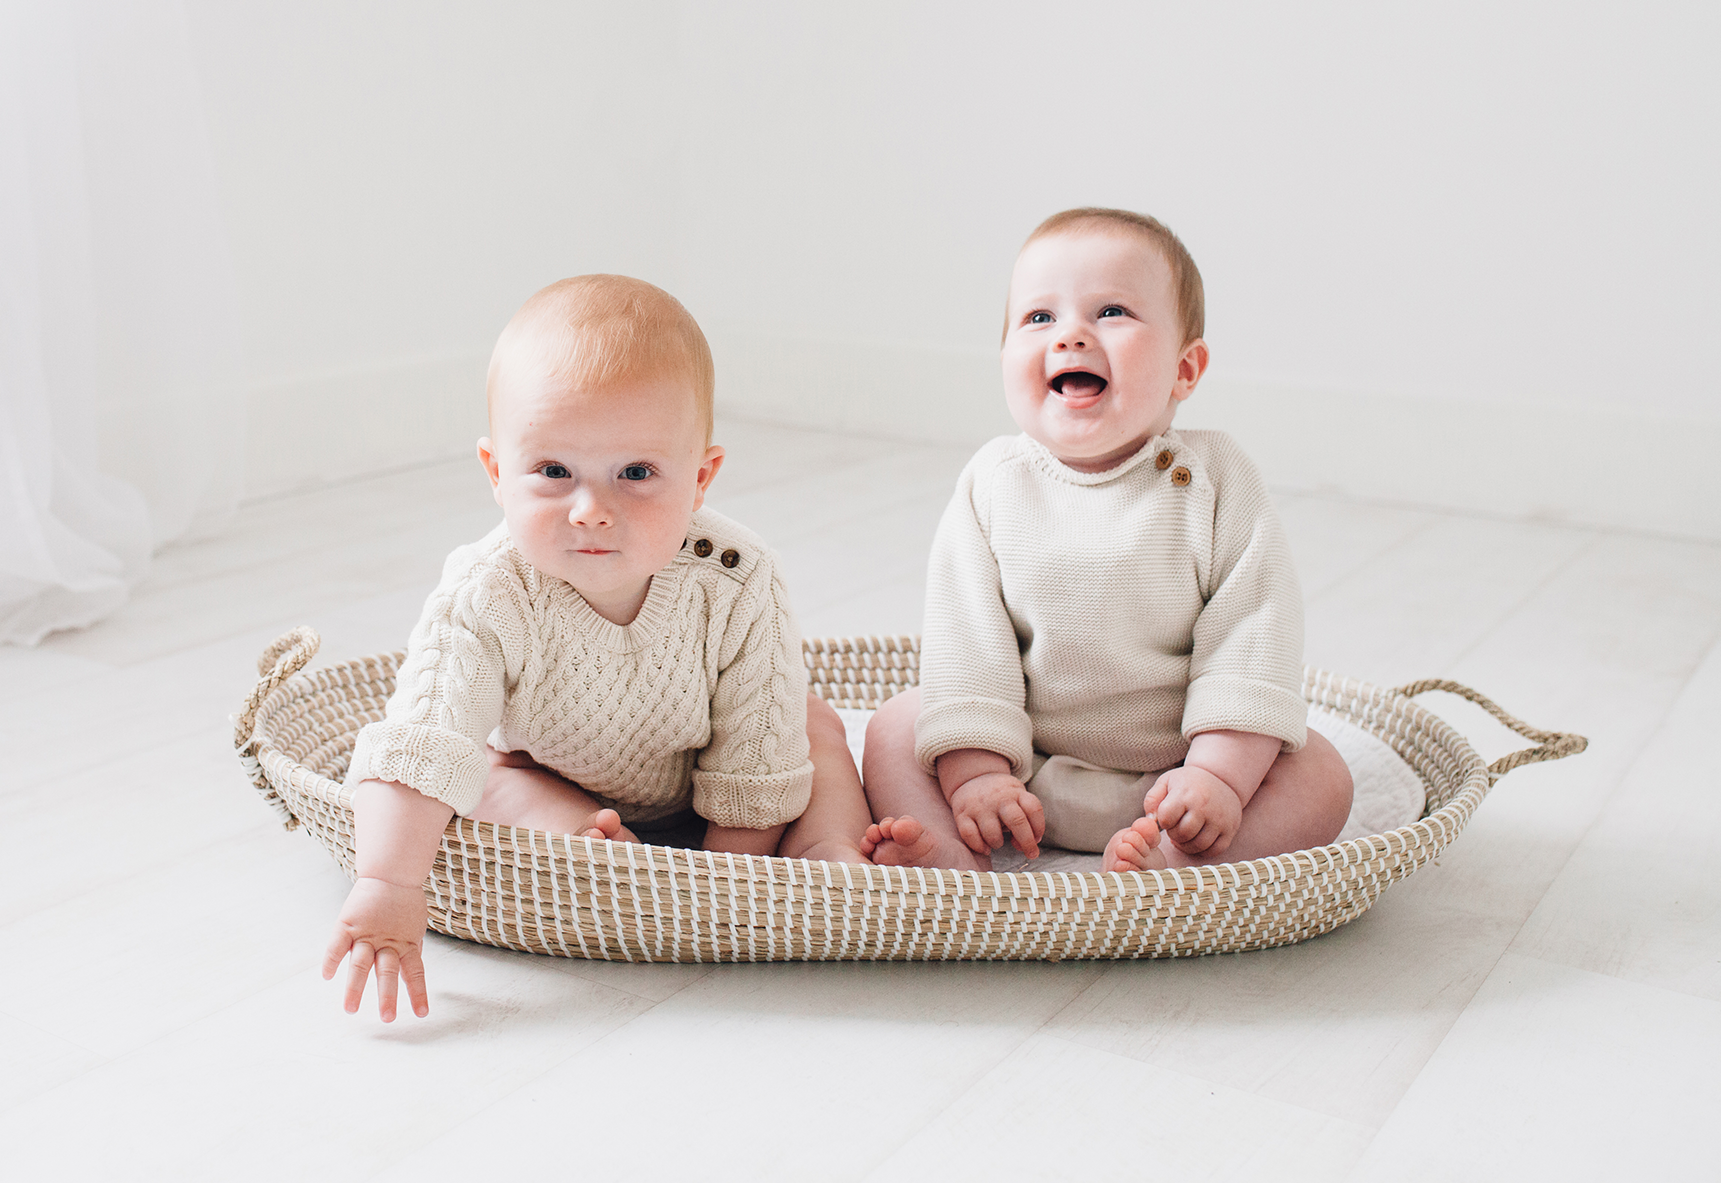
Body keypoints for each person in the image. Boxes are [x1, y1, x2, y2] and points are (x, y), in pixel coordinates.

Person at [326, 274, 877, 1021]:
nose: (591, 510)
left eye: (636, 474)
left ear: (700, 479)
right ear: (497, 474)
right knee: (483, 776)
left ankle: (827, 853)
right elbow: (425, 743)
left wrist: (726, 879)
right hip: (550, 769)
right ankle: (591, 850)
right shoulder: (487, 591)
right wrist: (388, 886)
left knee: (809, 724)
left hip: (712, 782)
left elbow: (759, 753)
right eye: (554, 472)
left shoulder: (737, 577)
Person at [860, 209, 1353, 874]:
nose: (1070, 336)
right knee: (896, 725)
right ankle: (952, 859)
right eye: (1039, 317)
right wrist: (976, 774)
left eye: (1112, 311)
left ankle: (1172, 865)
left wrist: (1220, 776)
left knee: (1322, 774)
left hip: (1179, 778)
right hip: (1023, 770)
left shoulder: (1216, 479)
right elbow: (966, 639)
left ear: (1185, 369)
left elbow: (1254, 633)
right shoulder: (993, 483)